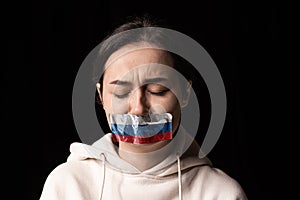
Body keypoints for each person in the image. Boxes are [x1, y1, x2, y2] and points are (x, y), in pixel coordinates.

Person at [39, 15, 247, 200]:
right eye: (121, 92)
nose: (138, 109)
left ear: (185, 93)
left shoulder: (221, 193)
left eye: (157, 90)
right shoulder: (67, 184)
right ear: (101, 96)